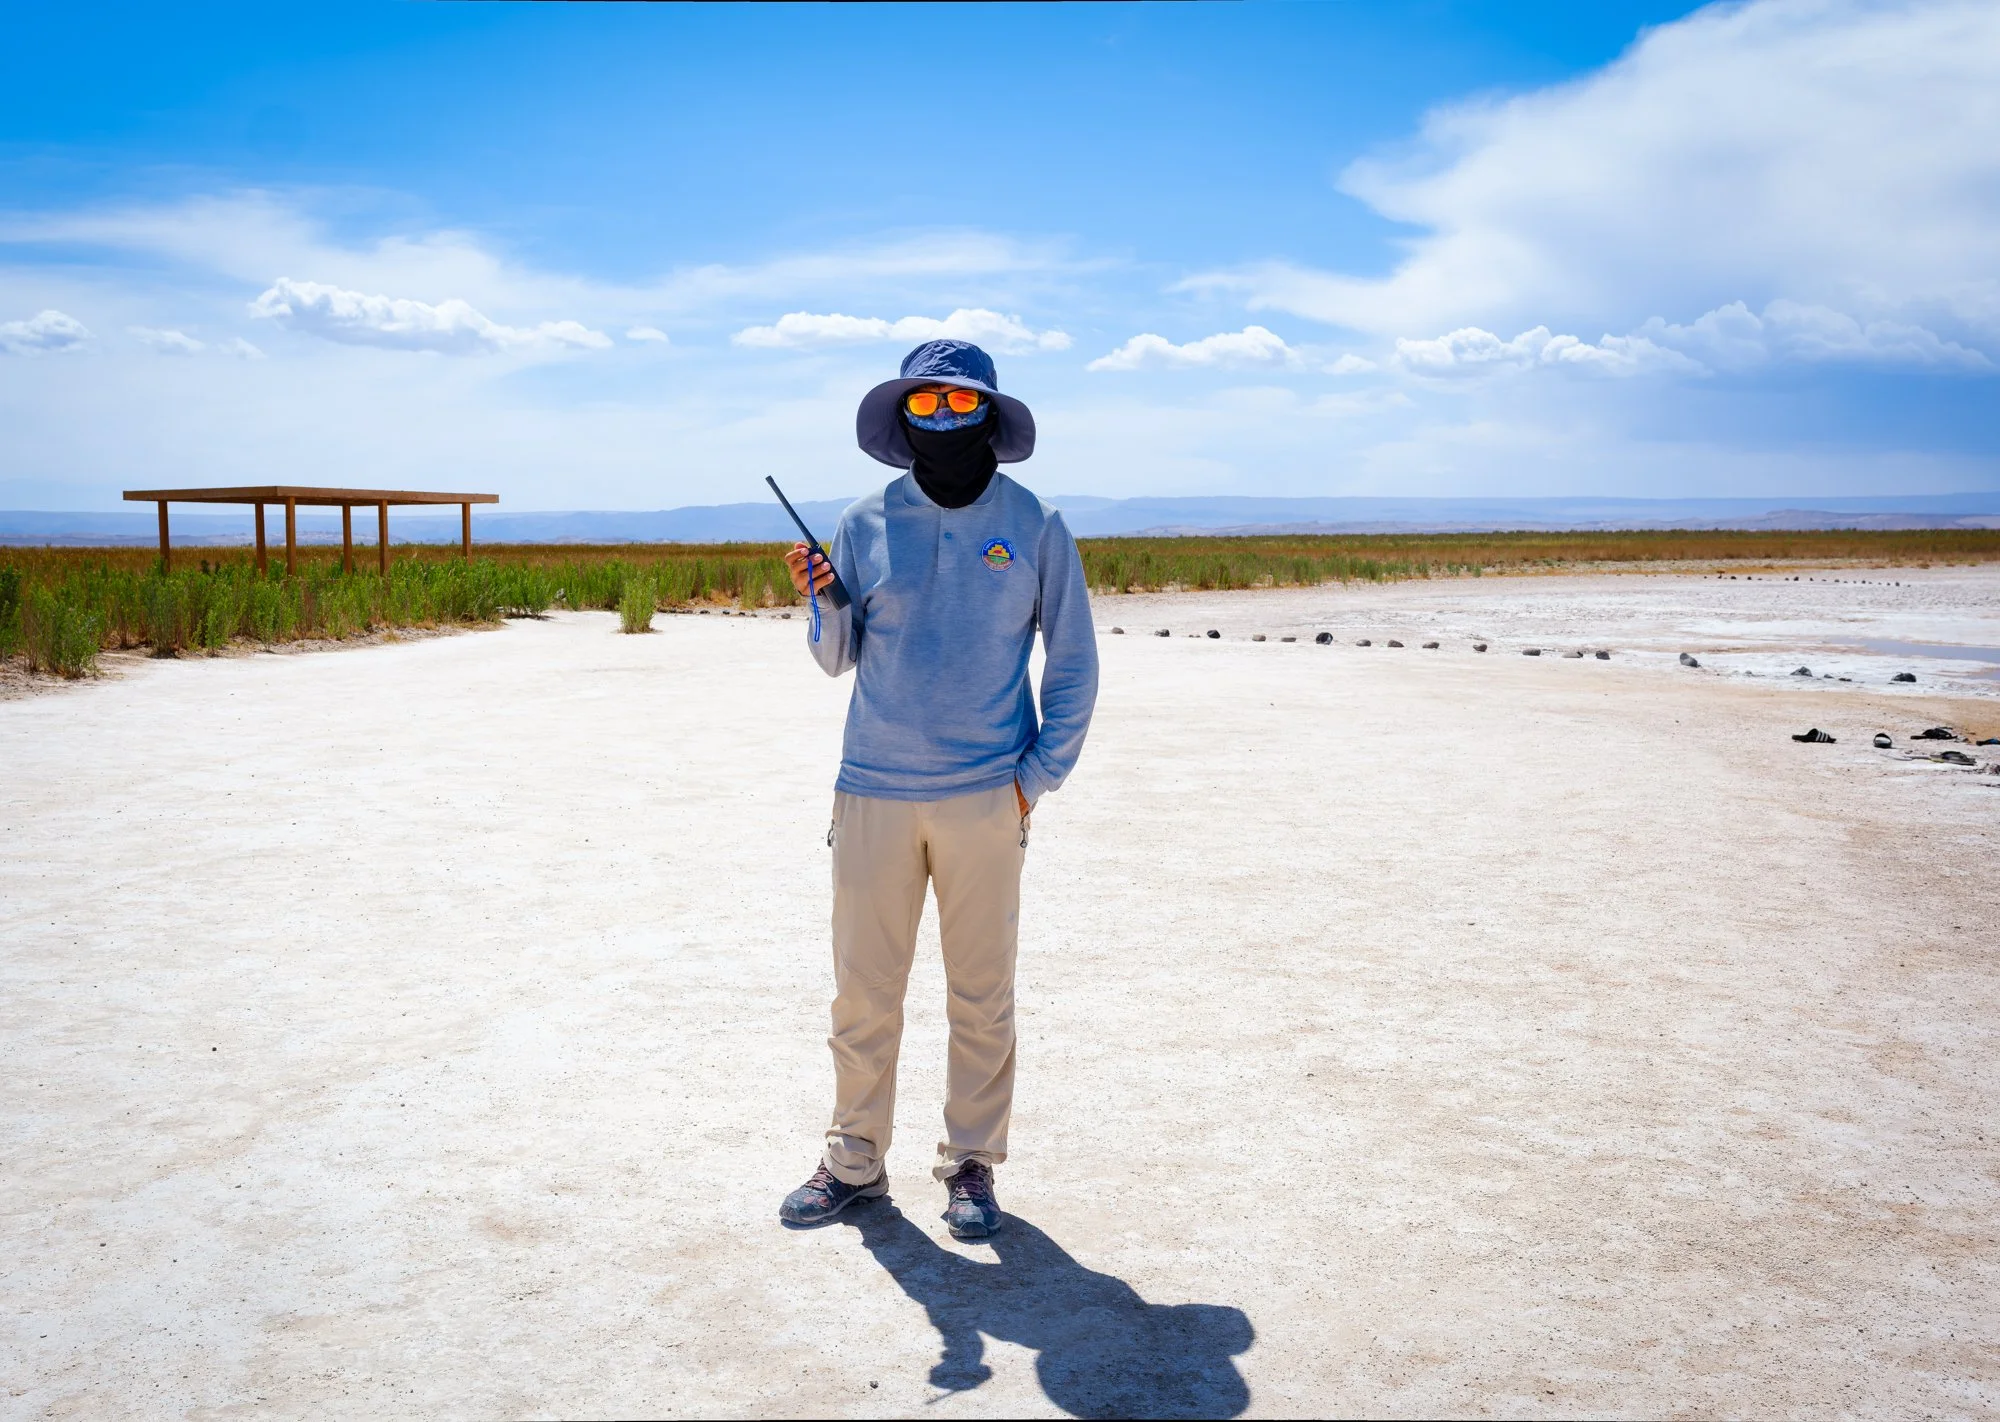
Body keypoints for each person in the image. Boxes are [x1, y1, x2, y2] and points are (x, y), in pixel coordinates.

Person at [777, 339, 1099, 1239]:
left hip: (987, 796)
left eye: (961, 404)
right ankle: (853, 1160)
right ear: (902, 416)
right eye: (925, 404)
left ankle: (971, 1166)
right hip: (872, 790)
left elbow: (1073, 661)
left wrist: (1034, 780)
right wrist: (821, 600)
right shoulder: (861, 521)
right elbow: (836, 659)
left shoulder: (1036, 523)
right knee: (862, 993)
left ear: (991, 414)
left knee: (981, 993)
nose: (944, 418)